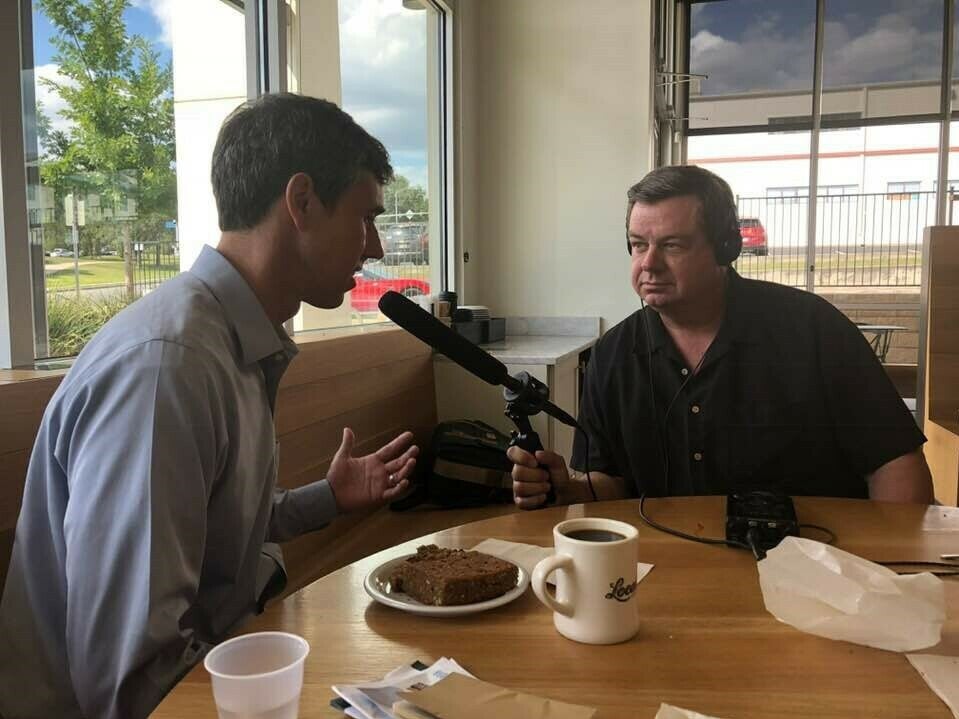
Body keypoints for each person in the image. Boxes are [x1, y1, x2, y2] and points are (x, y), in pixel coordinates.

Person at [0, 94, 418, 719]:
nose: (377, 246)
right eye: (365, 217)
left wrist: (327, 499)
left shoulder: (232, 340)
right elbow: (127, 678)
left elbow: (205, 527)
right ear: (301, 202)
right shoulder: (168, 367)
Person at [510, 165, 934, 509]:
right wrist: (567, 489)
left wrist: (891, 569)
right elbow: (611, 483)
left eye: (672, 245)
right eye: (639, 245)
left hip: (815, 572)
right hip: (669, 571)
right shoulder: (613, 355)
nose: (649, 264)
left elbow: (894, 462)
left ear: (726, 247)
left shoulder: (813, 330)